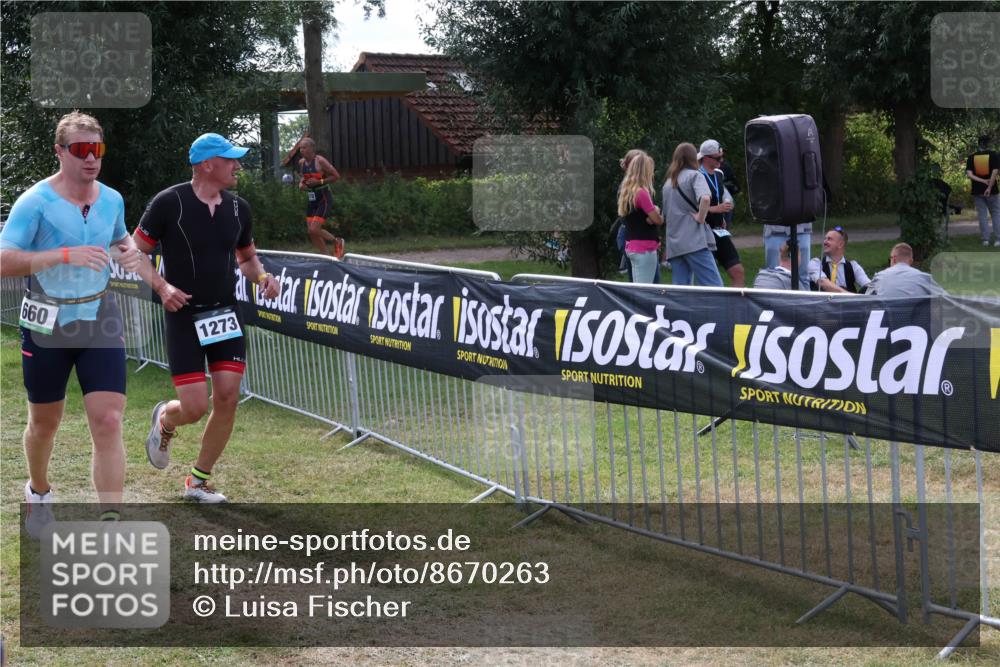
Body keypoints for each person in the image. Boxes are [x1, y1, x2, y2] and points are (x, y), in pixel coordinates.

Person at [0, 112, 145, 536]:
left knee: (109, 420)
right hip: (48, 322)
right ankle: (39, 492)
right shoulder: (35, 202)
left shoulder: (112, 199)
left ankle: (111, 524)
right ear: (60, 152)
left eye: (97, 149)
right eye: (81, 149)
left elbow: (119, 237)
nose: (91, 158)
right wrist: (63, 255)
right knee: (45, 424)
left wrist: (129, 251)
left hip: (99, 317)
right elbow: (4, 260)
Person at [132, 133, 281, 503]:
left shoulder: (238, 208)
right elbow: (136, 253)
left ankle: (197, 481)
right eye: (230, 159)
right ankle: (166, 419)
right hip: (184, 315)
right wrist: (162, 287)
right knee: (195, 407)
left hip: (225, 313)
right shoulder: (169, 202)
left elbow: (246, 257)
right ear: (206, 164)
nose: (237, 166)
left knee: (228, 396)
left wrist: (262, 277)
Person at [662, 142, 722, 287]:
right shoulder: (695, 176)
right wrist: (701, 218)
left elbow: (665, 214)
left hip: (674, 243)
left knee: (681, 289)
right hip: (694, 240)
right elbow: (705, 198)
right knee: (714, 286)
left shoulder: (668, 183)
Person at [697, 139, 745, 287]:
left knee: (738, 272)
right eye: (718, 158)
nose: (721, 161)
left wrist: (721, 215)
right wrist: (715, 209)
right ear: (706, 158)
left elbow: (719, 197)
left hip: (719, 230)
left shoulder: (719, 174)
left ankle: (733, 302)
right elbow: (691, 208)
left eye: (722, 157)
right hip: (703, 231)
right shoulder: (696, 176)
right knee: (709, 281)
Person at [617, 152, 664, 283]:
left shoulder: (628, 191)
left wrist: (650, 217)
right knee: (644, 289)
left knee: (638, 286)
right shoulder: (642, 192)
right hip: (645, 247)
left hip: (633, 245)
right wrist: (656, 211)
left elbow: (639, 217)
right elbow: (658, 220)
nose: (652, 173)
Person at [298, 137, 344, 257]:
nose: (301, 150)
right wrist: (301, 184)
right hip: (312, 198)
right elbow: (303, 177)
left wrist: (319, 182)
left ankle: (337, 241)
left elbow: (336, 176)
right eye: (300, 148)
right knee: (311, 232)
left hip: (324, 198)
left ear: (312, 148)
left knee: (314, 229)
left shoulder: (320, 161)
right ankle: (327, 257)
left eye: (304, 147)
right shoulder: (301, 163)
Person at [865, 242, 945, 297]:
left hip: (887, 317)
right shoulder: (924, 278)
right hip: (915, 317)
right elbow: (946, 297)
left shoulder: (879, 277)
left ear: (894, 259)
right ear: (911, 261)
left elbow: (866, 300)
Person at [808, 226, 870, 293]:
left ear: (840, 244)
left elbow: (869, 285)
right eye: (825, 239)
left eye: (829, 239)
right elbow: (822, 282)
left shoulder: (853, 265)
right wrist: (848, 295)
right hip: (823, 300)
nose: (825, 242)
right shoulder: (815, 263)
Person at [966, 135, 1000, 247]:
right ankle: (998, 240)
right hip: (992, 190)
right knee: (996, 213)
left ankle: (985, 240)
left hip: (977, 190)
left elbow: (969, 174)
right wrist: (989, 187)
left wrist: (982, 181)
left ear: (979, 144)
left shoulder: (972, 157)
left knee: (982, 215)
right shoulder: (993, 155)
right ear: (987, 144)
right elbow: (995, 172)